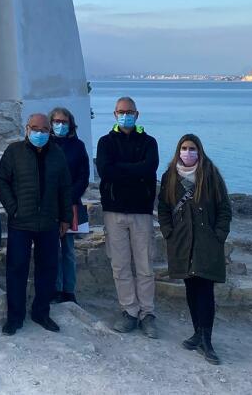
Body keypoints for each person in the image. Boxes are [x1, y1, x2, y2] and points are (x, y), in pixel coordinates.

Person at [157, 133, 232, 365]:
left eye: (192, 148)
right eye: (184, 148)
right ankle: (197, 333)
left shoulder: (210, 175)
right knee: (191, 288)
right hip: (182, 242)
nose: (187, 152)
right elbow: (163, 208)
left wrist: (218, 236)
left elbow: (224, 209)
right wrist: (168, 232)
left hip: (206, 243)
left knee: (205, 290)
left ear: (199, 151)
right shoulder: (169, 176)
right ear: (178, 150)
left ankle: (207, 339)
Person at [0, 113, 72, 336]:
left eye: (44, 129)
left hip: (49, 222)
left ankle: (41, 312)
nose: (40, 133)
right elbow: (1, 180)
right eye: (35, 129)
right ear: (27, 129)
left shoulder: (57, 154)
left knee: (47, 270)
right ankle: (14, 317)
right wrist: (13, 208)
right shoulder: (14, 152)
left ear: (50, 131)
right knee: (16, 269)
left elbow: (65, 188)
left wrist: (65, 217)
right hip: (21, 222)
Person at [95, 96, 160, 336]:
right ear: (114, 114)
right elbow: (104, 170)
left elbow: (149, 167)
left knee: (145, 265)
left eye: (130, 111)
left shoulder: (149, 142)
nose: (126, 115)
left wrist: (120, 169)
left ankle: (147, 313)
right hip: (114, 211)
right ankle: (129, 311)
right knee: (120, 265)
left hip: (141, 211)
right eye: (121, 111)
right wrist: (134, 171)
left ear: (137, 114)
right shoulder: (105, 142)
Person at [48, 106, 90, 304]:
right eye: (56, 121)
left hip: (71, 204)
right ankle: (54, 289)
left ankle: (68, 291)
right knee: (51, 249)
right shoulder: (45, 144)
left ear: (70, 124)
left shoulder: (78, 146)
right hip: (48, 204)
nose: (60, 125)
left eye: (64, 122)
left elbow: (83, 175)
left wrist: (69, 196)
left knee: (68, 250)